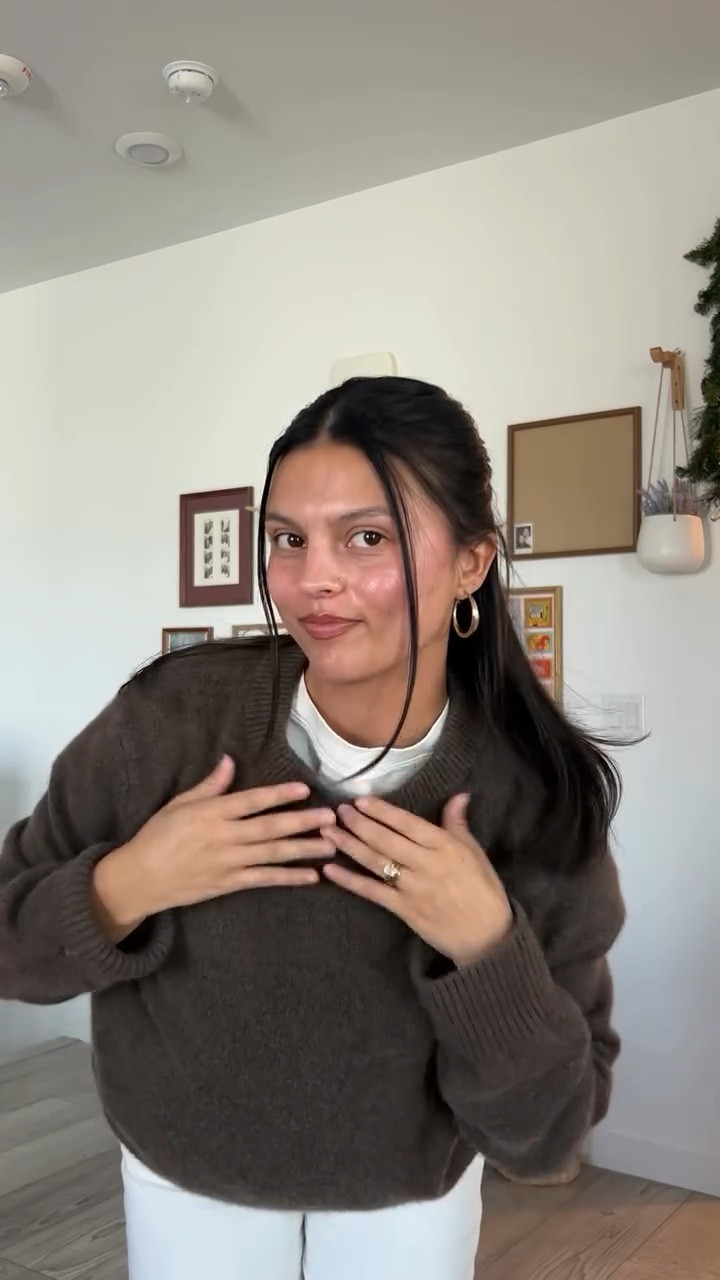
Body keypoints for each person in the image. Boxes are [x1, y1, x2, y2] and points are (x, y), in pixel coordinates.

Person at [0, 376, 625, 1280]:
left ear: (472, 563)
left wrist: (488, 947)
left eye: (366, 537)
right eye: (287, 540)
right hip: (187, 1180)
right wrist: (126, 885)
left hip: (407, 1203)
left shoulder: (535, 797)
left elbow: (549, 1137)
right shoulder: (169, 722)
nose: (313, 579)